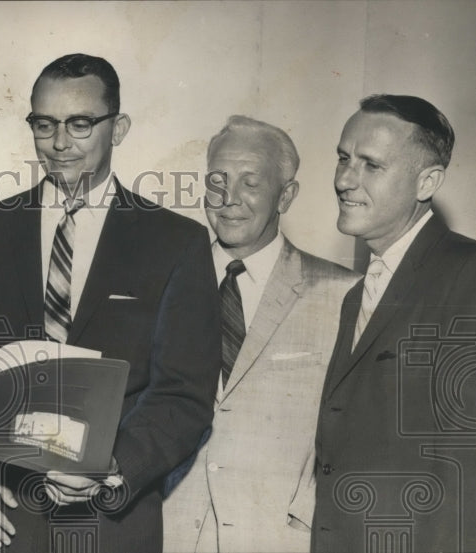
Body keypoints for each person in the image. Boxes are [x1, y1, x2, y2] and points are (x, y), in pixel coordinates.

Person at [0, 53, 221, 553]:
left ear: (119, 128)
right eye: (44, 124)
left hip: (114, 525)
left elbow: (184, 395)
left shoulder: (176, 242)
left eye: (80, 124)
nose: (59, 143)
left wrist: (111, 467)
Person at [162, 115, 357, 552]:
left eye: (251, 182)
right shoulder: (159, 282)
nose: (229, 199)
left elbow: (352, 437)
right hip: (164, 532)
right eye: (218, 180)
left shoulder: (344, 294)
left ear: (285, 195)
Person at [313, 94, 476, 552]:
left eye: (371, 165)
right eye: (343, 158)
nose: (345, 180)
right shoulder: (358, 295)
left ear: (427, 180)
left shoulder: (472, 275)